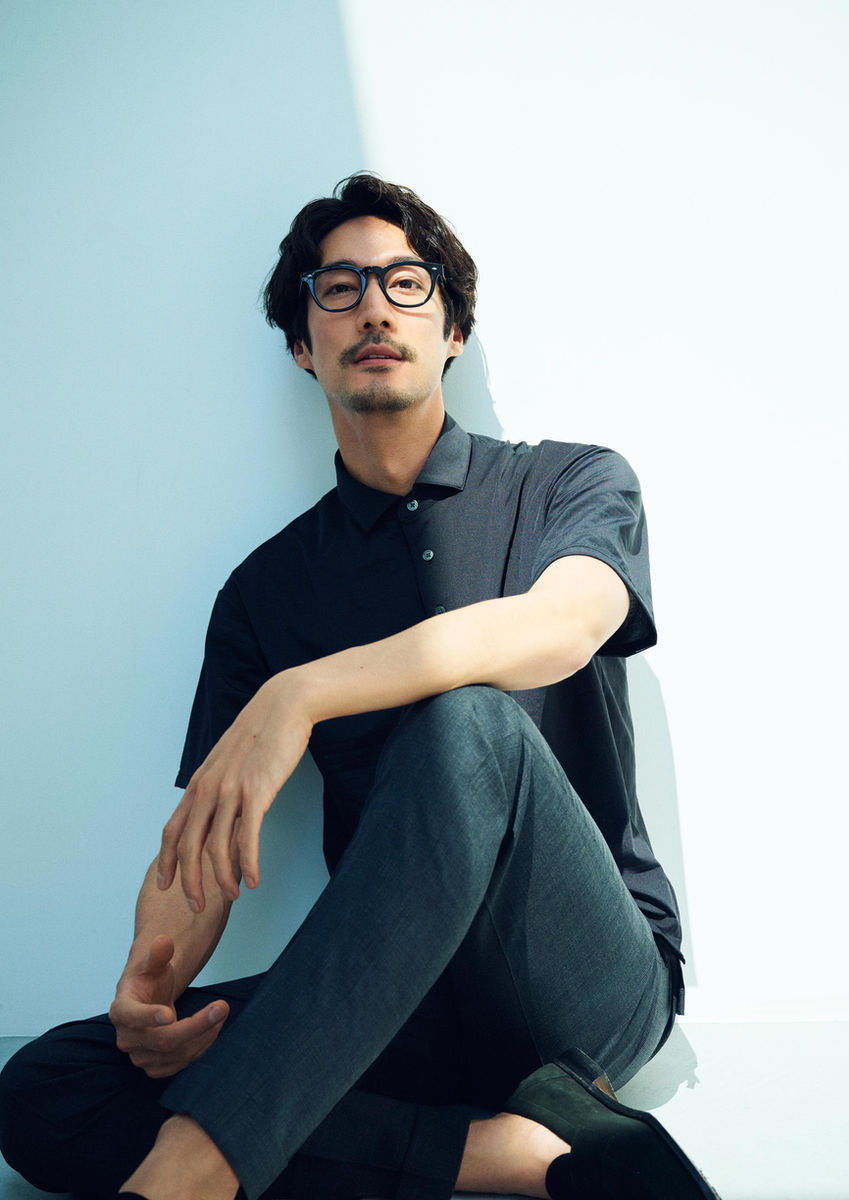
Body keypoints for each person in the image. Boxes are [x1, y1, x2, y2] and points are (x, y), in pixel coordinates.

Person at [0, 175, 717, 1200]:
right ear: (304, 344)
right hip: (388, 1001)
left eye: (405, 283)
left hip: (584, 987)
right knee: (49, 1088)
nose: (374, 307)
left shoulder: (571, 482)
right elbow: (210, 832)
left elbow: (565, 627)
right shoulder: (265, 592)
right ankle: (519, 1153)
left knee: (468, 726)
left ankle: (195, 1169)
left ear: (453, 328)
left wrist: (301, 694)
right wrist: (149, 979)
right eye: (338, 289)